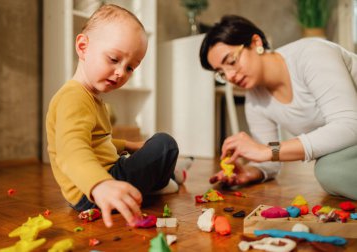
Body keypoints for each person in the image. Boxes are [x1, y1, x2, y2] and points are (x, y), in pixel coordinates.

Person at [46, 4, 189, 228]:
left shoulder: (91, 98)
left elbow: (96, 142)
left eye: (131, 68)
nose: (121, 72)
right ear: (83, 47)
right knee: (165, 144)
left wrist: (129, 145)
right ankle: (162, 180)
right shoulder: (73, 98)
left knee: (149, 147)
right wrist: (99, 184)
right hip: (92, 192)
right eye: (114, 59)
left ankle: (164, 175)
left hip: (101, 179)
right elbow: (71, 150)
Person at [199, 15, 357, 200]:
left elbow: (350, 124)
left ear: (255, 42)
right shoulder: (255, 101)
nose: (230, 76)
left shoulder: (312, 54)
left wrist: (264, 151)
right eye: (221, 73)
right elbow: (270, 160)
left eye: (231, 61)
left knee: (329, 169)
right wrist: (249, 171)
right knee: (331, 167)